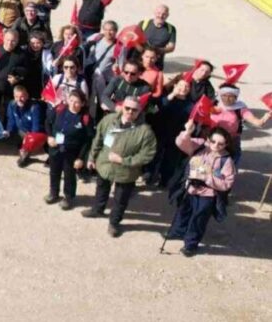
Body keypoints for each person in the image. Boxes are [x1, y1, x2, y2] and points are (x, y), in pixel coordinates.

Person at [83, 96, 157, 237]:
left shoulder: (145, 131)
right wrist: (92, 157)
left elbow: (147, 155)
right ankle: (97, 209)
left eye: (134, 110)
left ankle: (114, 222)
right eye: (127, 108)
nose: (130, 112)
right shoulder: (109, 120)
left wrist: (124, 160)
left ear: (139, 111)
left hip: (126, 172)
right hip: (104, 165)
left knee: (120, 199)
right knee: (101, 189)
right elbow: (98, 138)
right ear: (122, 107)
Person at [166, 122, 237, 257]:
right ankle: (178, 232)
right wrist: (187, 131)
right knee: (183, 211)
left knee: (198, 219)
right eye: (213, 141)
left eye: (220, 144)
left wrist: (207, 178)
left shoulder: (227, 161)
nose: (215, 146)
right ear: (208, 139)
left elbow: (227, 183)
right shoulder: (199, 146)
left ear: (226, 144)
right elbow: (181, 143)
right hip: (190, 188)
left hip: (208, 194)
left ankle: (191, 244)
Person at [44, 89, 94, 209]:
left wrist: (81, 158)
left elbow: (87, 141)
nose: (73, 104)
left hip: (71, 152)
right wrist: (49, 136)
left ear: (82, 103)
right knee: (54, 172)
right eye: (71, 100)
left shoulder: (85, 118)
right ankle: (53, 193)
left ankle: (68, 197)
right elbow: (47, 123)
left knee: (69, 176)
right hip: (55, 149)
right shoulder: (59, 110)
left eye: (77, 102)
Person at [0, 30, 29, 125]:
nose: (10, 43)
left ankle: (7, 130)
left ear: (17, 41)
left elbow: (26, 71)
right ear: (4, 39)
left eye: (13, 41)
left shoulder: (21, 54)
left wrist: (17, 79)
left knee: (8, 111)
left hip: (10, 88)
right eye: (8, 40)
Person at [4, 85, 46, 167]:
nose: (19, 99)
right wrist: (8, 130)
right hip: (21, 130)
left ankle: (26, 154)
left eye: (22, 96)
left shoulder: (34, 107)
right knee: (9, 137)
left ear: (27, 96)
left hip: (33, 132)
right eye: (16, 97)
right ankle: (22, 149)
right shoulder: (12, 104)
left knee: (22, 161)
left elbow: (36, 128)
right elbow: (11, 120)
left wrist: (27, 142)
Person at [139, 4, 176, 70]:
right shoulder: (143, 24)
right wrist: (145, 51)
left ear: (167, 15)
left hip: (157, 63)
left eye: (164, 14)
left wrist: (156, 51)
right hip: (140, 61)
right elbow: (134, 40)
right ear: (154, 13)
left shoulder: (171, 29)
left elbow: (171, 47)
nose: (160, 16)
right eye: (158, 13)